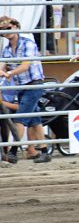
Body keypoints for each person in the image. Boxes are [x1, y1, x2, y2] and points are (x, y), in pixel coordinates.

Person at [0, 16, 50, 163]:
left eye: (8, 28)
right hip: (22, 86)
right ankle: (45, 152)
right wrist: (3, 71)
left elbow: (25, 66)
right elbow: (2, 66)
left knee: (21, 117)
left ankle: (13, 152)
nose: (6, 32)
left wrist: (8, 73)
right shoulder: (7, 50)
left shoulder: (28, 44)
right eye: (3, 30)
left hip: (34, 84)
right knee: (35, 120)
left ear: (16, 27)